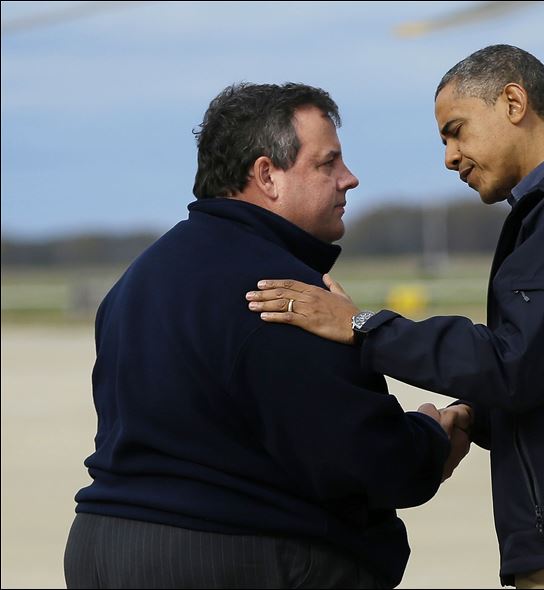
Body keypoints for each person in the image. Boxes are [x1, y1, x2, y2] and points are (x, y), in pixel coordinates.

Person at [245, 45, 544, 589]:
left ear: (513, 102)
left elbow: (518, 363)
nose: (450, 156)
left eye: (456, 131)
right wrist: (475, 414)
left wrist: (361, 325)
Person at [64, 82, 472, 590]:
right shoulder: (283, 295)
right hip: (228, 553)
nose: (349, 179)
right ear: (266, 175)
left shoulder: (136, 280)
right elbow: (366, 461)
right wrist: (431, 438)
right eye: (328, 163)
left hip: (100, 547)